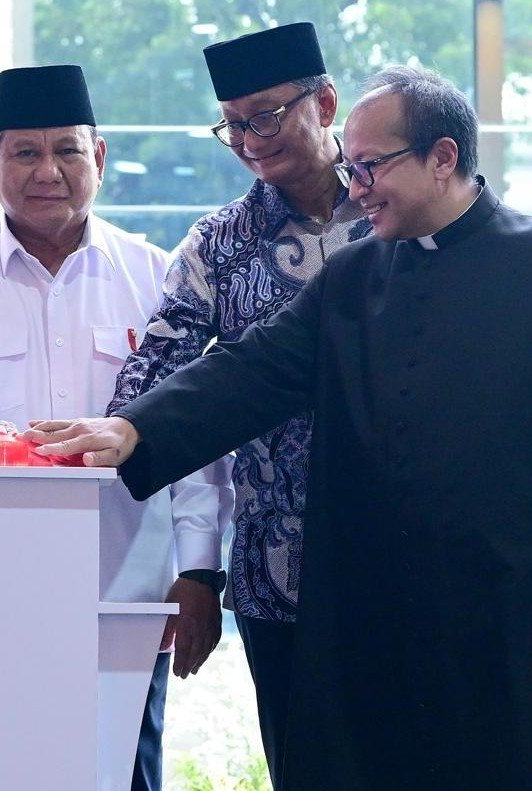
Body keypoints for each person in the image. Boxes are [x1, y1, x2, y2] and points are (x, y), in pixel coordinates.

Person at [26, 65, 532, 789]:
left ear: (443, 157)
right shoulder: (356, 276)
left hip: (523, 617)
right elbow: (252, 370)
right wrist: (136, 432)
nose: (354, 187)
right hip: (397, 617)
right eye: (352, 167)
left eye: (369, 167)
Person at [0, 64, 233, 791]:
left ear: (98, 158)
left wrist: (198, 570)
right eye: (26, 152)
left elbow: (192, 431)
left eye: (68, 151)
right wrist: (11, 449)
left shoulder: (155, 274)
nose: (49, 171)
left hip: (124, 597)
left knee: (124, 773)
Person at [103, 22, 369, 786]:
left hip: (405, 550)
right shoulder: (218, 245)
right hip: (277, 571)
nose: (250, 140)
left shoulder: (400, 214)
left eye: (267, 115)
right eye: (233, 123)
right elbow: (150, 382)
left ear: (324, 102)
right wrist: (112, 431)